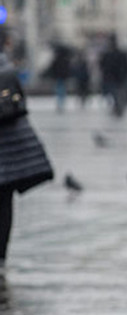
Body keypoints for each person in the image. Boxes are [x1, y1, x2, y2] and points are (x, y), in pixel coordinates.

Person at [0, 27, 54, 274]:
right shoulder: (8, 70)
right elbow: (21, 105)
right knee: (4, 204)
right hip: (8, 149)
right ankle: (1, 255)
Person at [100, 35, 127, 117]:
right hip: (117, 77)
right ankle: (118, 107)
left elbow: (102, 65)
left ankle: (117, 107)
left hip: (113, 78)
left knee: (115, 93)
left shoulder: (108, 54)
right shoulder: (119, 54)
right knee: (117, 93)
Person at [43, 44, 72, 113]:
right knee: (62, 90)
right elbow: (68, 69)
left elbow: (52, 68)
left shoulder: (56, 59)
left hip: (58, 77)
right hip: (63, 77)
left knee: (59, 90)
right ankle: (61, 103)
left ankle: (60, 103)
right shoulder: (66, 60)